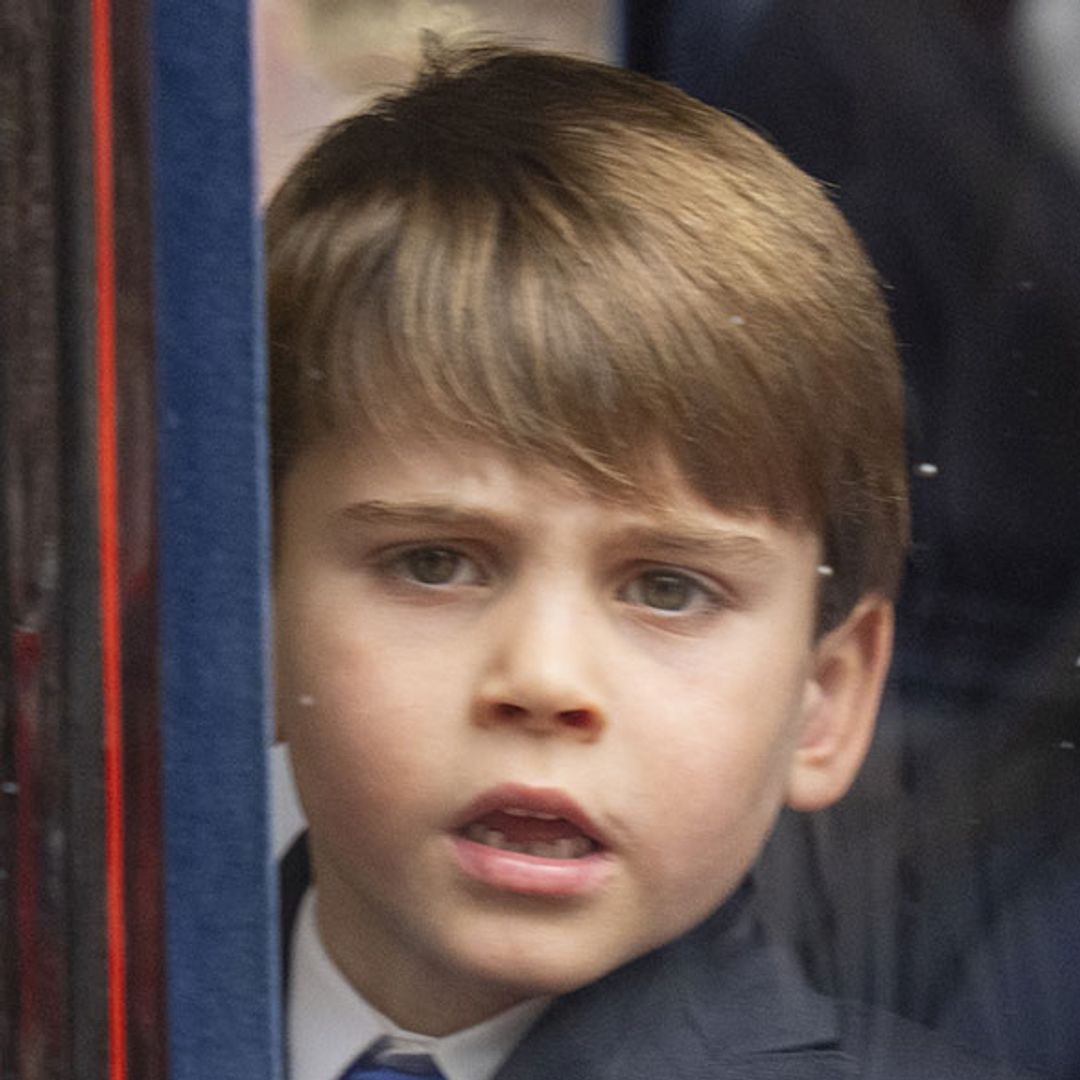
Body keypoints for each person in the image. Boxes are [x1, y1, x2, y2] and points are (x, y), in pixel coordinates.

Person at [265, 45, 1035, 1080]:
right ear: (247, 621)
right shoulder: (72, 1014)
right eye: (436, 562)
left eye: (668, 588)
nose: (543, 680)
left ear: (826, 696)